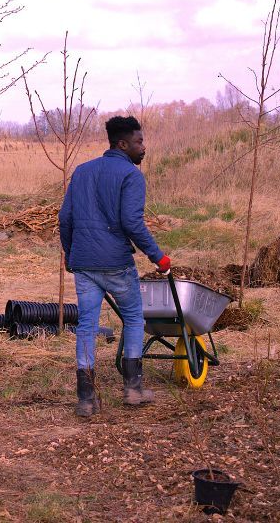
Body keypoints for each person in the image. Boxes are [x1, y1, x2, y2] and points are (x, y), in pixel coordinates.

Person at [59, 116, 171, 418]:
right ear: (123, 144)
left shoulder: (82, 172)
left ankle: (85, 399)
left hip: (83, 263)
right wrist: (158, 257)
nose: (143, 147)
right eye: (139, 142)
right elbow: (131, 222)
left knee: (86, 326)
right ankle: (133, 390)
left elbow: (65, 218)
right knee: (134, 318)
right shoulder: (131, 176)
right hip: (115, 263)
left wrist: (71, 255)